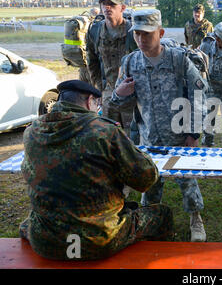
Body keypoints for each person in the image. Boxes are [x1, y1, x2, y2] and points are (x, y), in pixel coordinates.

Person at [19, 80, 173, 261]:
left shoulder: (32, 132)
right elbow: (146, 179)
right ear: (89, 101)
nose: (97, 109)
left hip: (45, 240)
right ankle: (157, 261)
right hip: (98, 241)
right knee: (162, 214)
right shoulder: (105, 131)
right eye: (96, 104)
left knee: (29, 223)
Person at [110, 9, 209, 242]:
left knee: (187, 177)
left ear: (160, 32)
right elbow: (119, 103)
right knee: (150, 181)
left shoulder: (178, 60)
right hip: (149, 136)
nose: (141, 40)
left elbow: (200, 95)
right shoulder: (130, 62)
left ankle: (196, 218)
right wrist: (120, 93)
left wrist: (193, 132)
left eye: (147, 34)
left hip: (179, 134)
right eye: (137, 35)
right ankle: (150, 221)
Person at [86, 0, 137, 136]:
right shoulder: (95, 31)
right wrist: (98, 89)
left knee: (132, 137)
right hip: (108, 94)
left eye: (111, 4)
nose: (107, 8)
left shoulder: (133, 32)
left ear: (122, 8)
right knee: (109, 136)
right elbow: (92, 61)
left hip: (131, 95)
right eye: (104, 4)